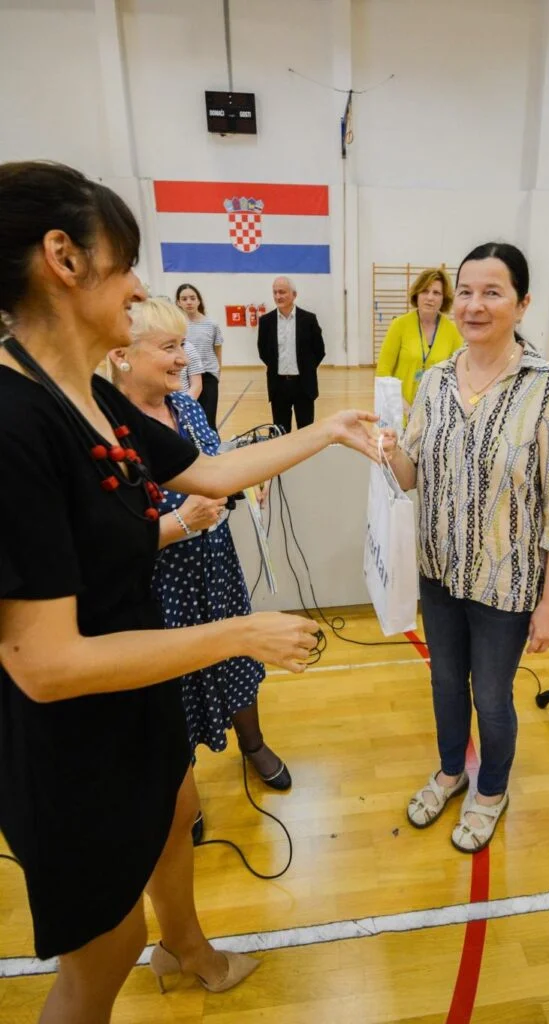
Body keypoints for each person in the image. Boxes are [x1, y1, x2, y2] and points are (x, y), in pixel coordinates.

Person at [0, 160, 387, 1024]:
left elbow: (210, 469)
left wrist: (327, 431)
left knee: (176, 810)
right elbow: (45, 665)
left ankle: (186, 944)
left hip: (138, 695)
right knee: (102, 956)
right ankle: (161, 946)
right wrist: (238, 634)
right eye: (126, 264)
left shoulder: (87, 398)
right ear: (64, 258)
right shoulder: (16, 422)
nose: (138, 287)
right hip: (72, 740)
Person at [387, 242, 549, 853]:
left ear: (521, 304)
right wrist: (385, 447)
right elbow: (410, 473)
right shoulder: (435, 382)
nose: (473, 305)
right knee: (446, 684)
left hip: (506, 585)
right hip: (438, 573)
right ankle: (451, 772)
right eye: (465, 292)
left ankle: (491, 791)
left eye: (492, 292)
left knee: (492, 699)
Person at [110, 297, 290, 843]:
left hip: (215, 566)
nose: (184, 358)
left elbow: (213, 466)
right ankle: (180, 789)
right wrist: (180, 522)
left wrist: (242, 484)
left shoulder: (185, 408)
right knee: (172, 689)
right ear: (121, 355)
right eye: (169, 347)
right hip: (160, 585)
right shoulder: (108, 429)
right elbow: (111, 536)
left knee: (237, 653)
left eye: (184, 345)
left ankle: (253, 744)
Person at [375, 266, 462, 417]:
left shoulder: (453, 331)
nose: (430, 297)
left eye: (436, 293)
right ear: (417, 294)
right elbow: (383, 372)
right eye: (425, 291)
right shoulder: (399, 325)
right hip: (398, 413)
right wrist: (407, 410)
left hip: (436, 416)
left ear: (444, 298)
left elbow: (458, 377)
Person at [257, 276, 325, 433]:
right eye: (275, 292)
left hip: (304, 385)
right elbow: (263, 351)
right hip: (278, 386)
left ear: (294, 295)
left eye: (282, 292)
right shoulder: (266, 321)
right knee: (281, 433)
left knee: (306, 432)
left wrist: (306, 368)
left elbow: (319, 350)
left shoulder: (309, 319)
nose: (278, 296)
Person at [175, 283, 224, 427]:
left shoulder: (212, 324)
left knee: (208, 420)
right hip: (185, 377)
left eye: (192, 298)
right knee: (188, 419)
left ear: (198, 301)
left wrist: (217, 374)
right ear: (178, 302)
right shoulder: (176, 325)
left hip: (208, 375)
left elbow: (217, 350)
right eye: (184, 299)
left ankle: (211, 442)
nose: (189, 302)